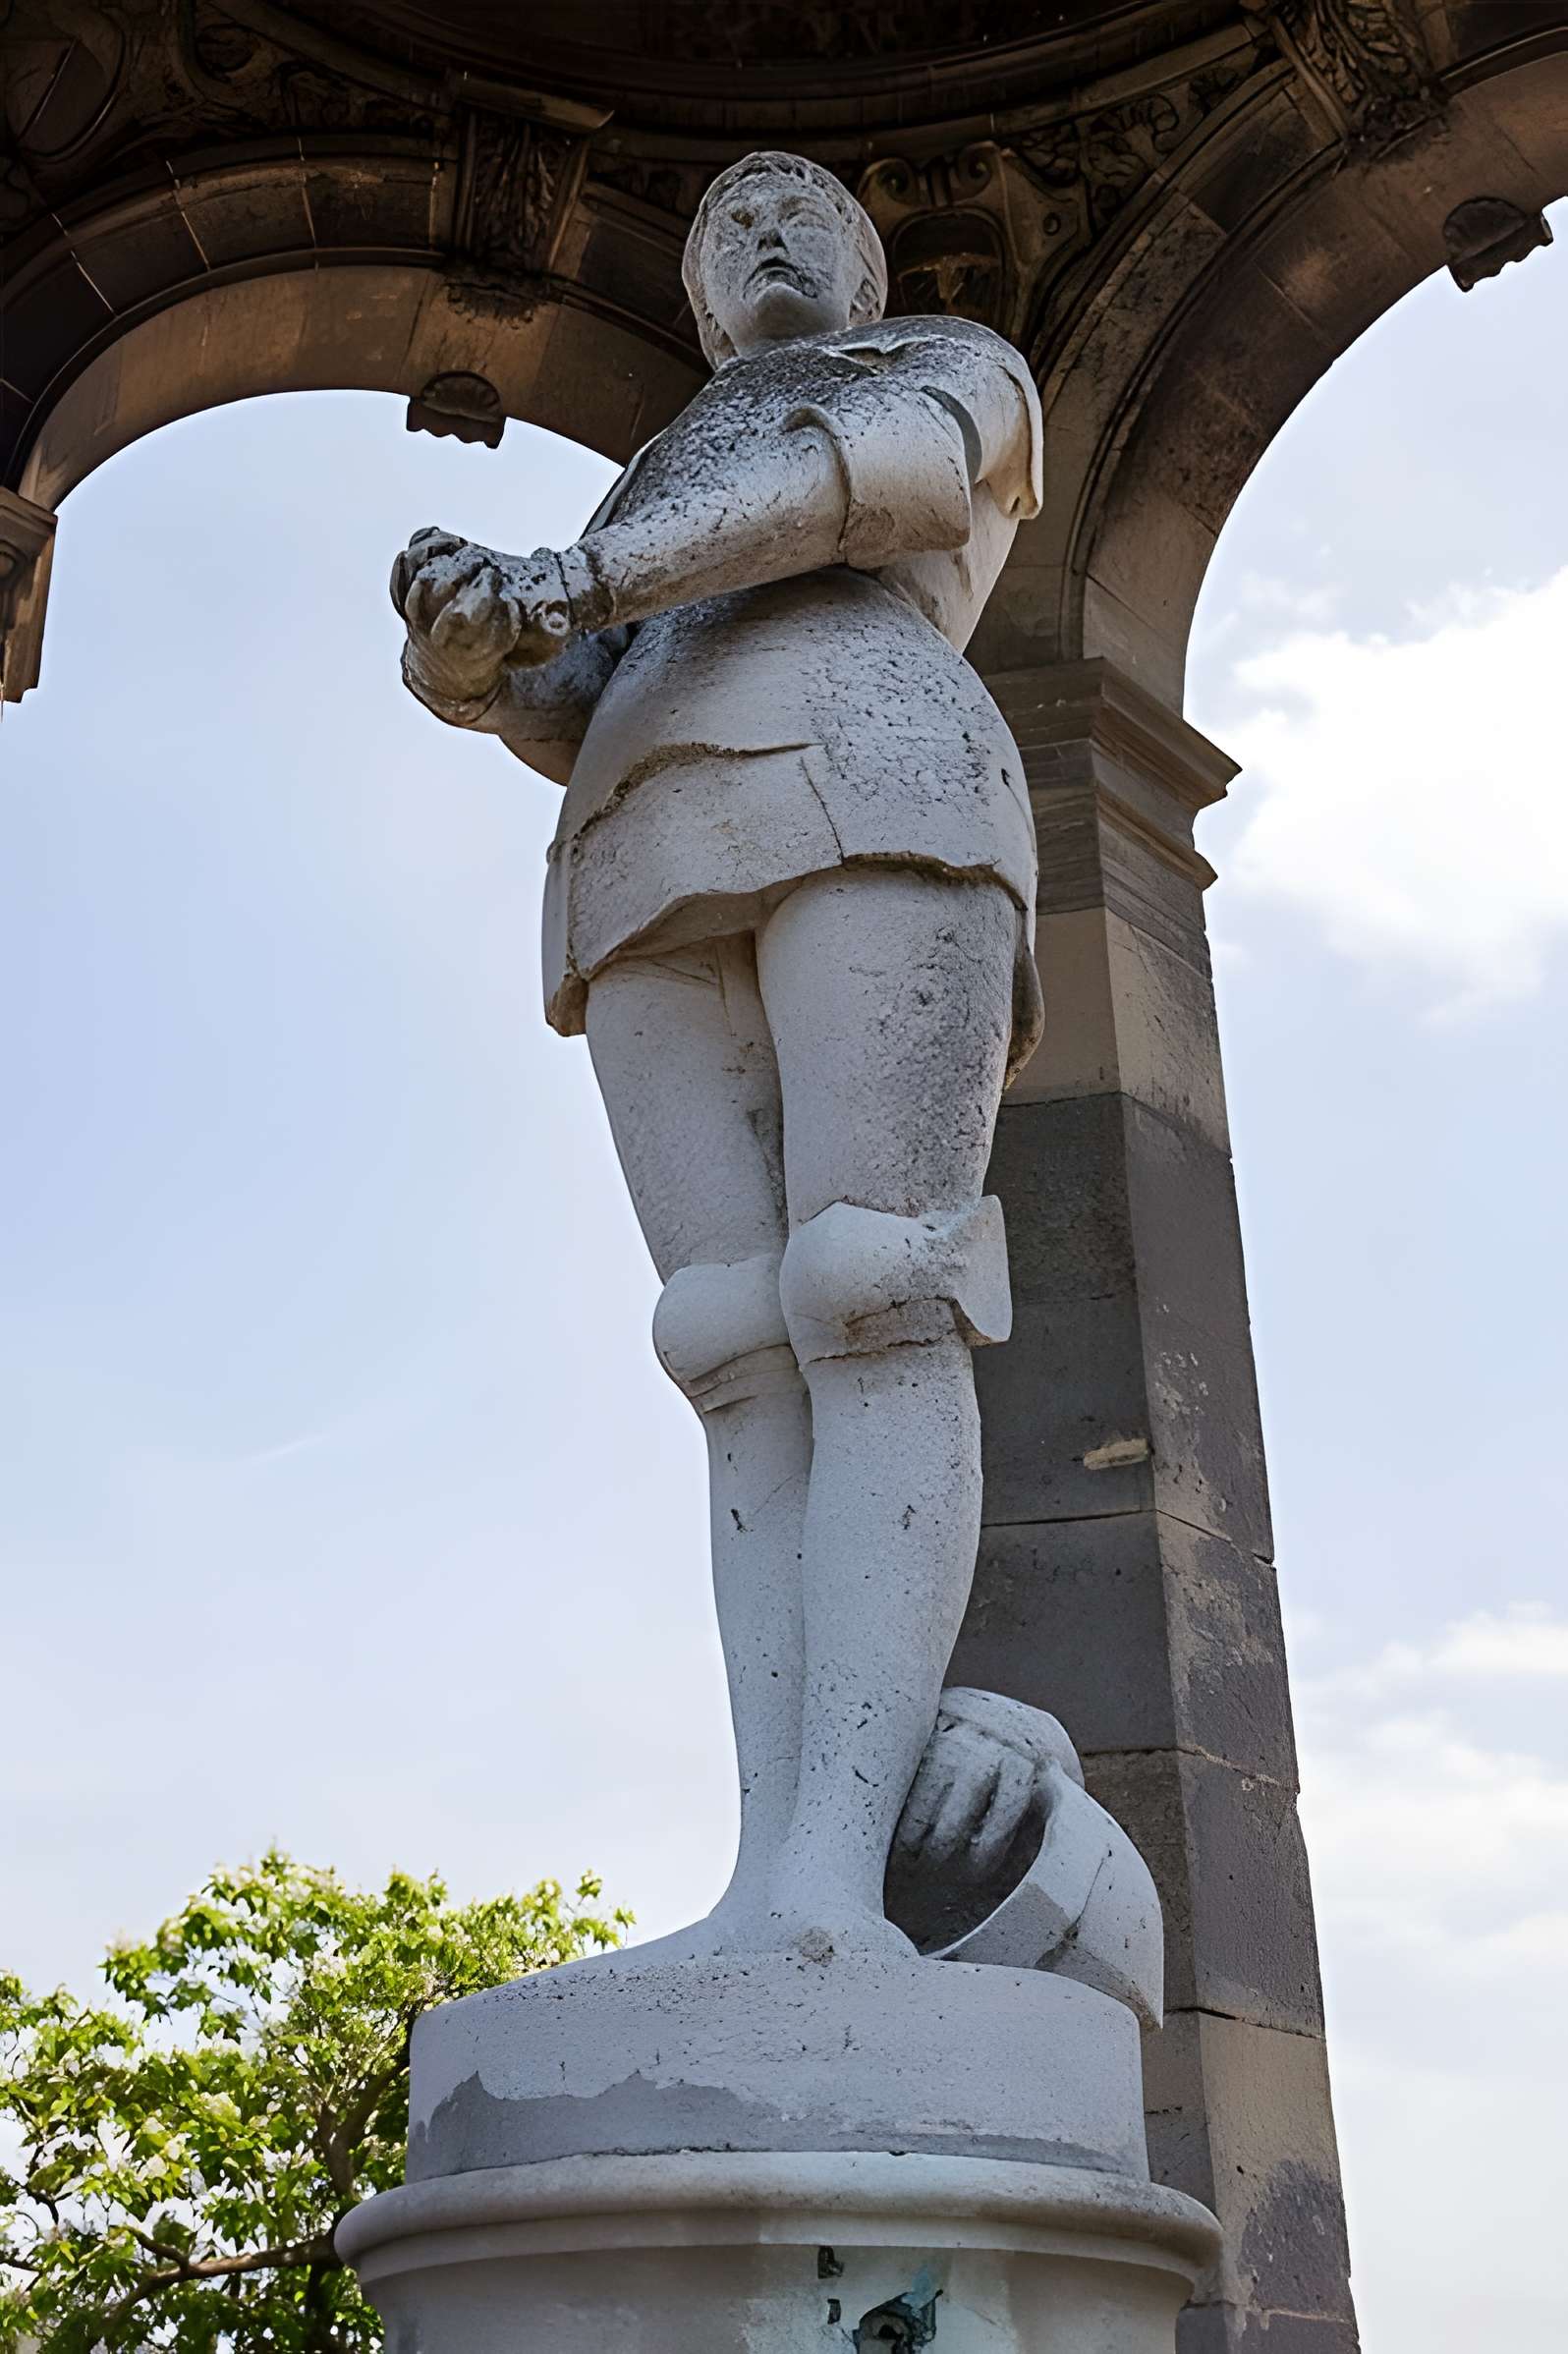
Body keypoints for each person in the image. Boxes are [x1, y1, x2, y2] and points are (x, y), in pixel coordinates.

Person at [391, 149, 1045, 1961]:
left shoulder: (945, 365)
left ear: (865, 260)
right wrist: (482, 655)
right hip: (638, 862)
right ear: (689, 300)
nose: (767, 240)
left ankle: (838, 1879)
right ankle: (778, 1877)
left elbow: (874, 493)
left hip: (882, 780)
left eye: (803, 217)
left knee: (870, 1285)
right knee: (732, 1341)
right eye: (731, 228)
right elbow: (591, 692)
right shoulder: (656, 481)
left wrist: (577, 576)